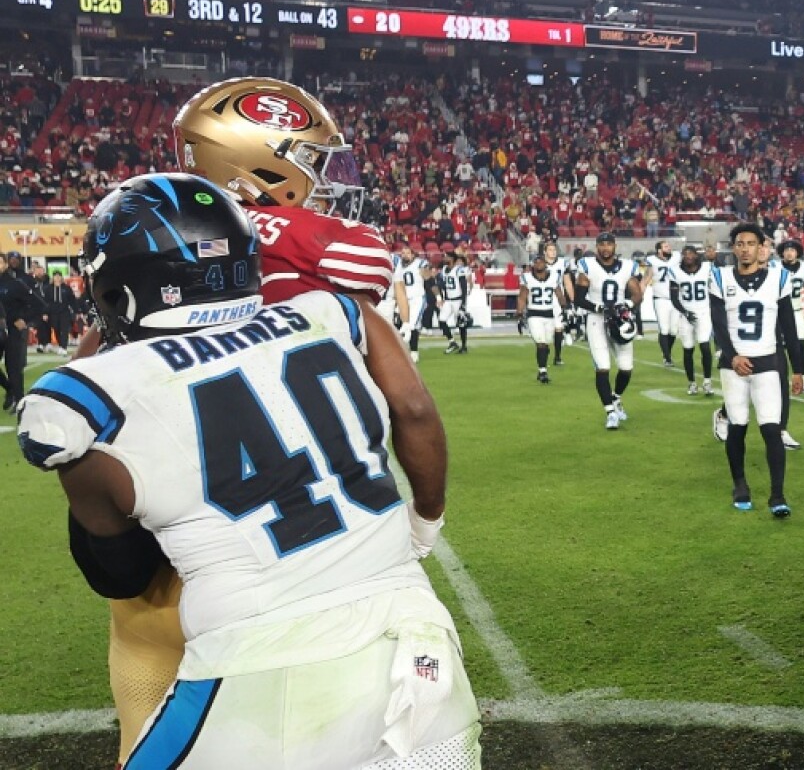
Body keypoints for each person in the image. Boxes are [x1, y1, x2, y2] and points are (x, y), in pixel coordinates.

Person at [18, 174, 481, 769]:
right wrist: (425, 524)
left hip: (255, 671)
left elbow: (119, 573)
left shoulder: (83, 400)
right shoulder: (335, 312)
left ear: (117, 290)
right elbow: (415, 411)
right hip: (417, 648)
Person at [66, 76, 398, 766]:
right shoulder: (331, 249)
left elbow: (93, 364)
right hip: (291, 560)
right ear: (261, 167)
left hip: (159, 551)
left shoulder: (138, 226)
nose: (327, 180)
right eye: (311, 161)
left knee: (150, 703)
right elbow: (386, 343)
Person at [710, 224, 804, 518]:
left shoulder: (779, 279)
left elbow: (789, 326)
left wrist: (798, 369)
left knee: (771, 429)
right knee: (737, 426)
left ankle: (778, 494)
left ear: (760, 246)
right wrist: (732, 355)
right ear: (734, 247)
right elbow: (718, 324)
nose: (746, 248)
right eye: (740, 243)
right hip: (733, 365)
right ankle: (740, 485)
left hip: (767, 362)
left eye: (751, 243)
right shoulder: (719, 277)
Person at [574, 231, 643, 430]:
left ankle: (616, 397)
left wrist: (626, 305)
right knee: (602, 367)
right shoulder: (588, 266)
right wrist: (598, 308)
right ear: (597, 247)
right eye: (602, 245)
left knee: (626, 368)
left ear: (615, 246)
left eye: (609, 244)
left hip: (620, 318)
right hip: (596, 319)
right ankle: (610, 413)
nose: (605, 248)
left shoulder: (628, 267)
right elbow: (579, 298)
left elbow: (637, 294)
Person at [0, 251, 45, 412]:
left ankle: (20, 402)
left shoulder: (15, 284)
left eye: (0, 263)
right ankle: (9, 389)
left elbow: (39, 305)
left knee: (13, 368)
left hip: (13, 331)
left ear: (5, 265)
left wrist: (25, 320)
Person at [668, 244, 714, 396]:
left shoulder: (707, 267)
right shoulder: (675, 271)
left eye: (690, 254)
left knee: (705, 346)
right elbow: (674, 298)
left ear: (696, 255)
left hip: (703, 312)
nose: (688, 256)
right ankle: (692, 382)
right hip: (686, 313)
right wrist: (685, 312)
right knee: (688, 349)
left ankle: (707, 381)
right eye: (685, 254)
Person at [516, 253, 566, 384]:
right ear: (533, 264)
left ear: (545, 263)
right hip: (534, 314)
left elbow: (559, 293)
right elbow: (522, 296)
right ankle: (543, 371)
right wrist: (519, 314)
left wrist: (565, 308)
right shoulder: (527, 278)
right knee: (541, 343)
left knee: (546, 344)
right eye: (536, 262)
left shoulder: (554, 276)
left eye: (541, 262)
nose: (539, 264)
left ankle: (542, 367)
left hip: (549, 313)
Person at [777, 239, 804, 392]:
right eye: (786, 250)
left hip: (797, 311)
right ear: (782, 253)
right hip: (779, 312)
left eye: (792, 250)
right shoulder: (775, 267)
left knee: (802, 345)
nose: (789, 252)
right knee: (778, 347)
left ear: (797, 252)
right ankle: (779, 378)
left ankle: (802, 378)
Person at [642, 240, 679, 367]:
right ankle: (667, 358)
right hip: (660, 298)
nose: (669, 248)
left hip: (676, 299)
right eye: (666, 246)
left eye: (669, 245)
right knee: (664, 328)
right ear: (659, 250)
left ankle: (666, 353)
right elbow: (646, 278)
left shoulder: (676, 257)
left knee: (673, 330)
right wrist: (639, 294)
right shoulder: (652, 260)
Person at [393, 246, 433, 364]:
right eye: (403, 253)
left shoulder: (419, 263)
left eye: (407, 253)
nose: (404, 255)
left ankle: (414, 352)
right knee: (397, 322)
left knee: (412, 326)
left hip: (417, 298)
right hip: (404, 299)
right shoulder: (399, 266)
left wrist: (426, 271)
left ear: (413, 255)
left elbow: (427, 276)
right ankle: (402, 350)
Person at [39, 269, 81, 356]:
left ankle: (64, 347)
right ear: (53, 277)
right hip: (53, 312)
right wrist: (45, 313)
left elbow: (72, 300)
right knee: (56, 329)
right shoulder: (48, 289)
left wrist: (77, 311)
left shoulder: (66, 288)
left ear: (61, 277)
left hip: (64, 312)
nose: (57, 278)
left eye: (59, 276)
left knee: (64, 330)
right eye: (55, 276)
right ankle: (60, 345)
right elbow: (45, 302)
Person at [437, 250, 472, 354]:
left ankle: (464, 346)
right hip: (448, 300)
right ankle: (452, 342)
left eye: (447, 257)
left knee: (461, 323)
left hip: (458, 300)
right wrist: (441, 297)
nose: (445, 258)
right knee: (441, 320)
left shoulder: (459, 270)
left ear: (452, 259)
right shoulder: (444, 269)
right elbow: (442, 285)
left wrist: (463, 303)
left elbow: (464, 287)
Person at [542, 240, 569, 366]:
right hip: (543, 299)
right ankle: (544, 356)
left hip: (558, 299)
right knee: (546, 330)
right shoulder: (539, 264)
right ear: (545, 252)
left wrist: (571, 301)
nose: (553, 252)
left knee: (559, 328)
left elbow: (567, 283)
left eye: (554, 250)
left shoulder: (563, 263)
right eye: (550, 250)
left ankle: (557, 356)